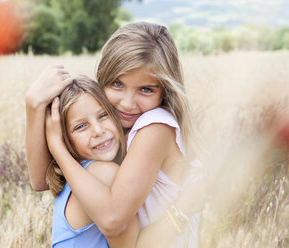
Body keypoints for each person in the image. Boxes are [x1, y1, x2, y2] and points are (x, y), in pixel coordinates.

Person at [26, 22, 204, 247]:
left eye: (146, 89)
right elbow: (41, 180)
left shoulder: (154, 126)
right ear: (103, 77)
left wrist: (184, 210)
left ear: (165, 91)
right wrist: (33, 105)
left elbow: (113, 221)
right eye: (117, 84)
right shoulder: (111, 126)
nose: (128, 104)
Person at [46, 76, 139, 248]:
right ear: (65, 139)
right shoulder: (104, 173)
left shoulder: (76, 174)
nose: (98, 131)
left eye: (103, 115)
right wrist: (180, 212)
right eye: (80, 126)